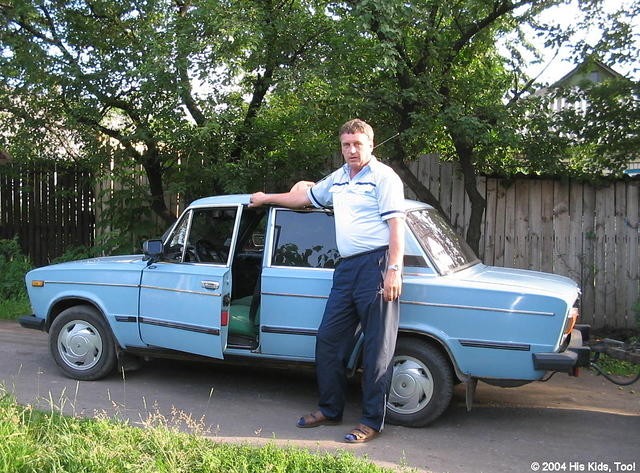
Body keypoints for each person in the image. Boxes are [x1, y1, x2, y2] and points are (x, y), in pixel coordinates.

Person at [249, 119, 405, 443]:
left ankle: (371, 421)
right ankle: (330, 409)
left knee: (377, 349)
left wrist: (394, 269)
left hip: (376, 265)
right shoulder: (338, 178)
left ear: (370, 145)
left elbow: (396, 228)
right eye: (346, 144)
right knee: (329, 340)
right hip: (346, 268)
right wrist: (265, 198)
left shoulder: (383, 178)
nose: (351, 150)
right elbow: (304, 198)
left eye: (357, 144)